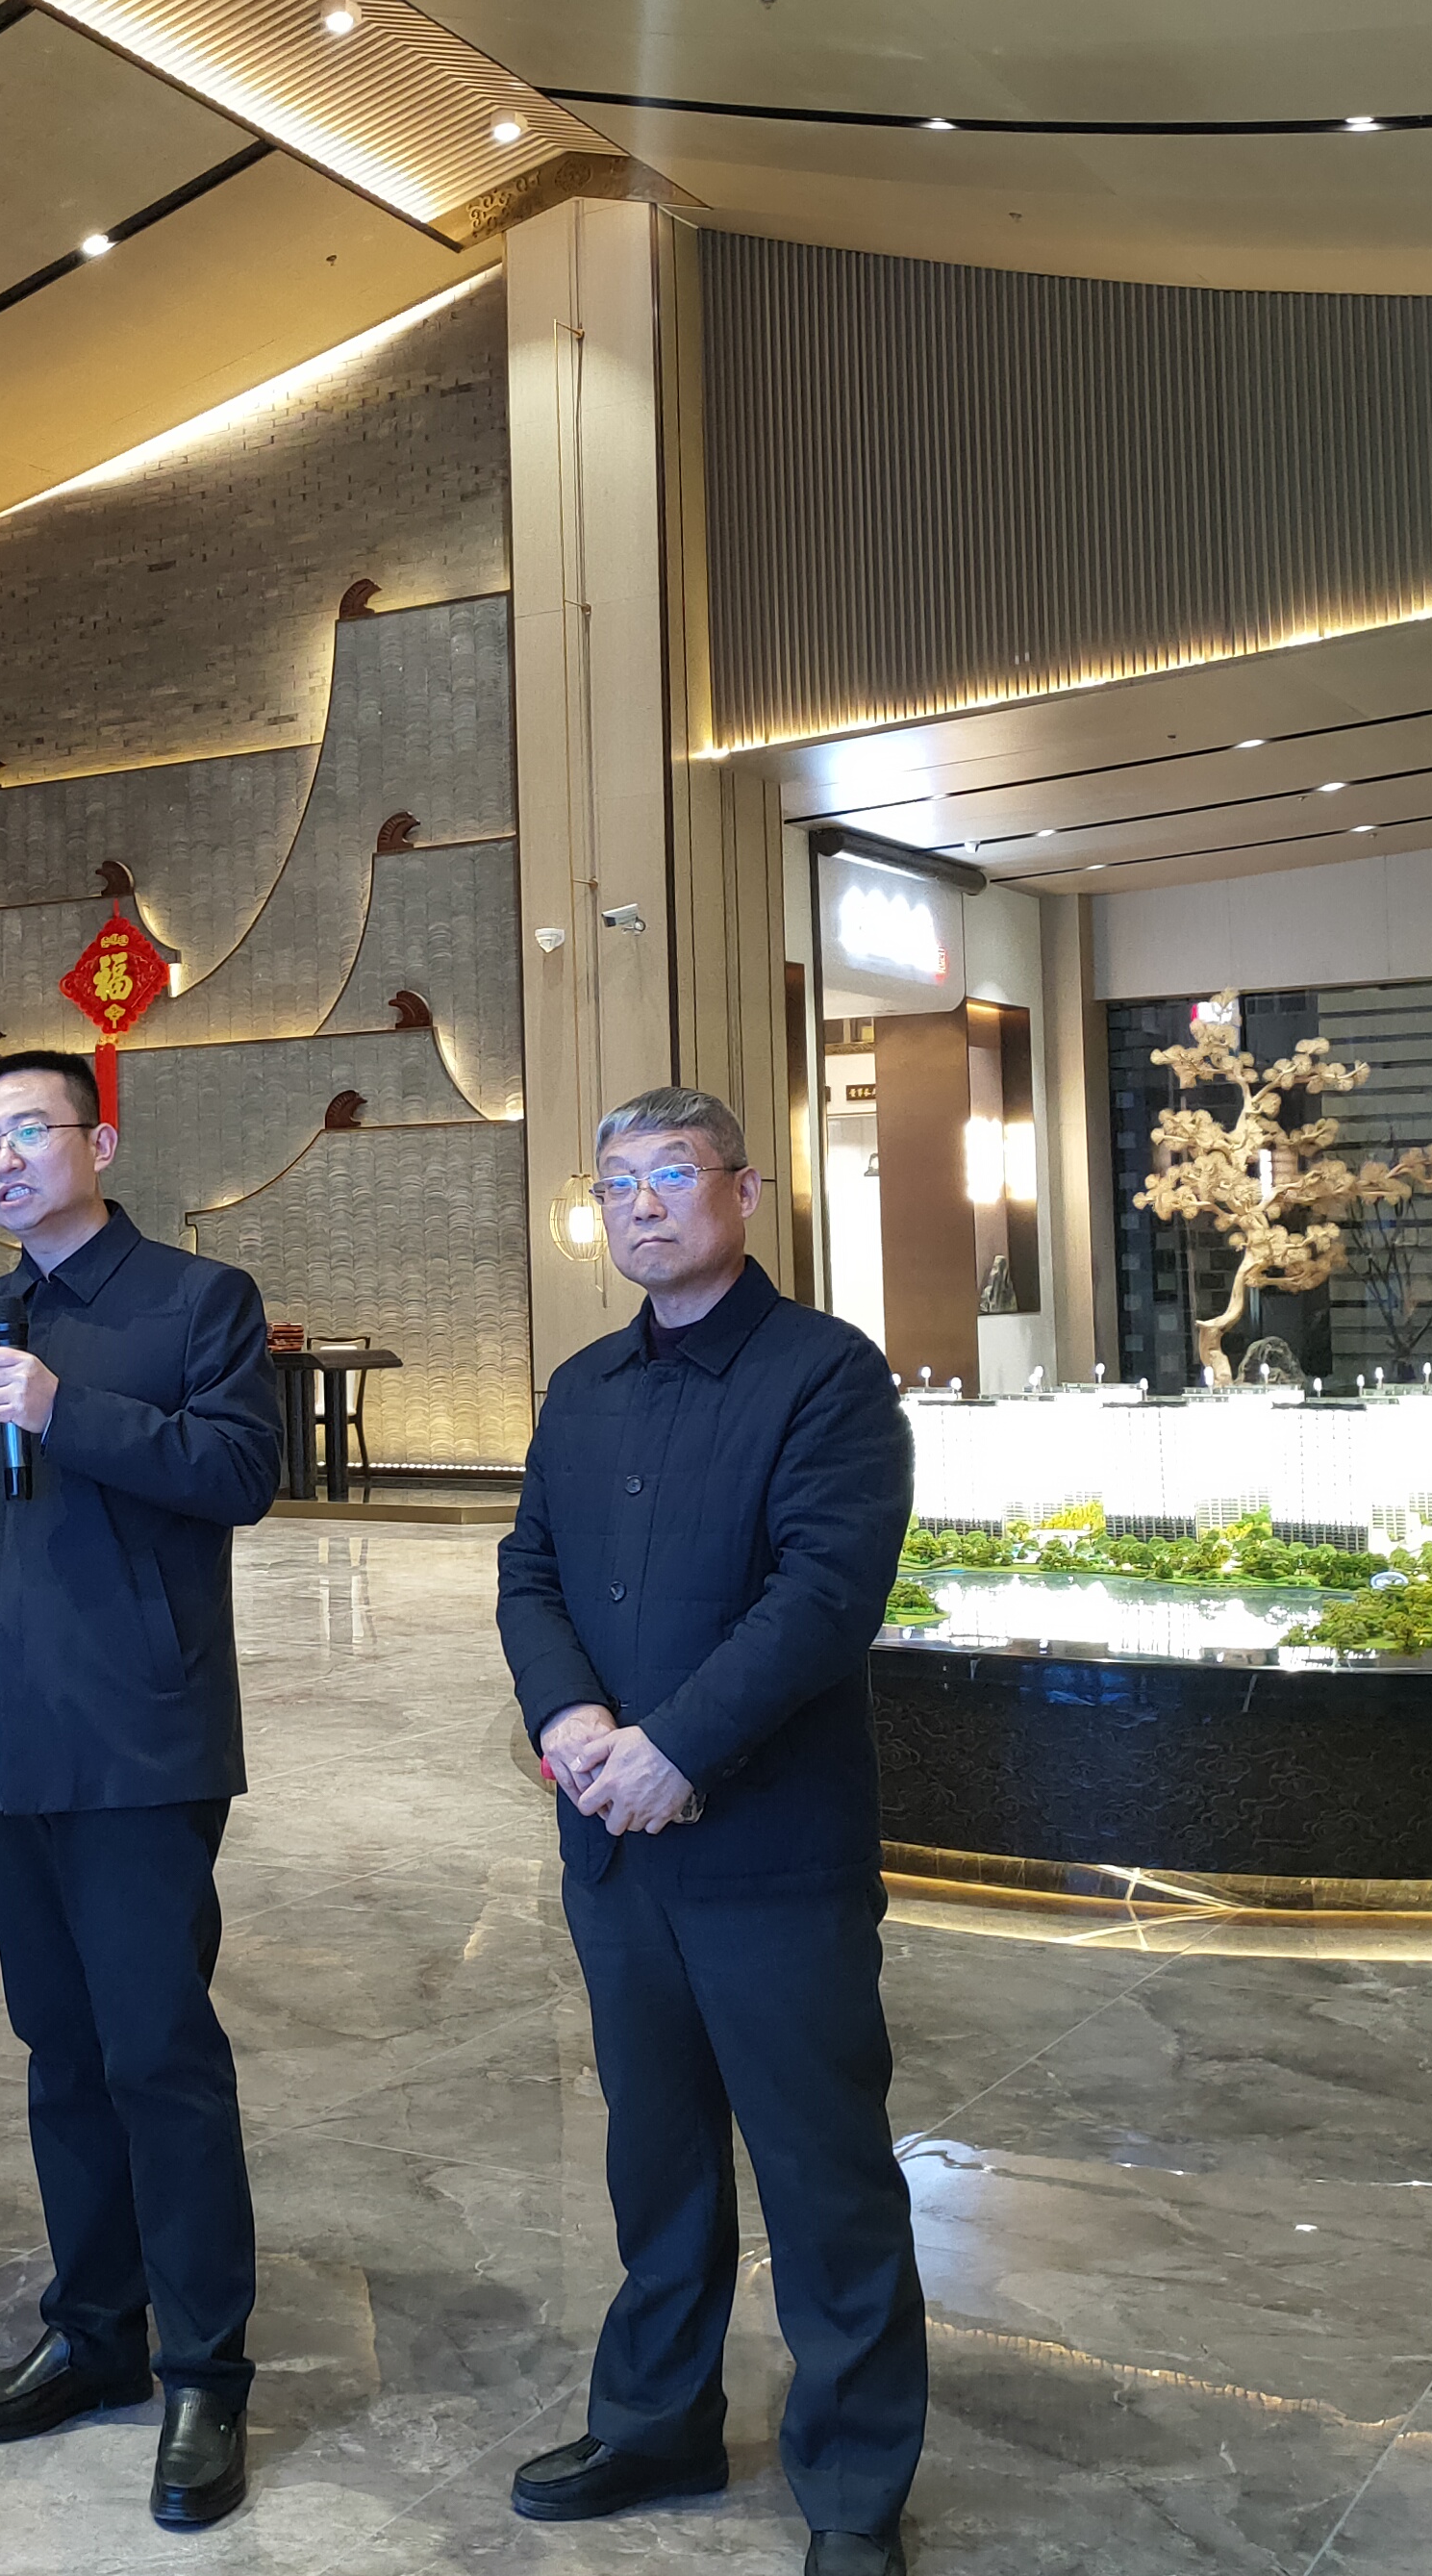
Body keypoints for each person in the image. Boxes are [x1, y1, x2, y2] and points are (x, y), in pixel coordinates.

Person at [0, 1049, 281, 2533]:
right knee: (58, 2053)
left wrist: (64, 1407)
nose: (5, 1160)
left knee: (159, 2054)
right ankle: (96, 2333)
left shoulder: (196, 1302)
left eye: (30, 1131)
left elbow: (241, 1473)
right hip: (4, 1738)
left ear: (101, 1142)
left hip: (143, 1740)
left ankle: (206, 2369)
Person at [494, 1087, 925, 2576]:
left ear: (744, 1192)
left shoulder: (826, 1376)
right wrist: (569, 1718)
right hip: (616, 1852)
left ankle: (854, 2487)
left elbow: (825, 1595)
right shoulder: (584, 1387)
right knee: (656, 2156)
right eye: (617, 1183)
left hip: (771, 1857)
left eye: (672, 1174)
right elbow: (530, 1570)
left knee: (823, 2177)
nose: (641, 1204)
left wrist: (676, 1746)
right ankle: (658, 2419)